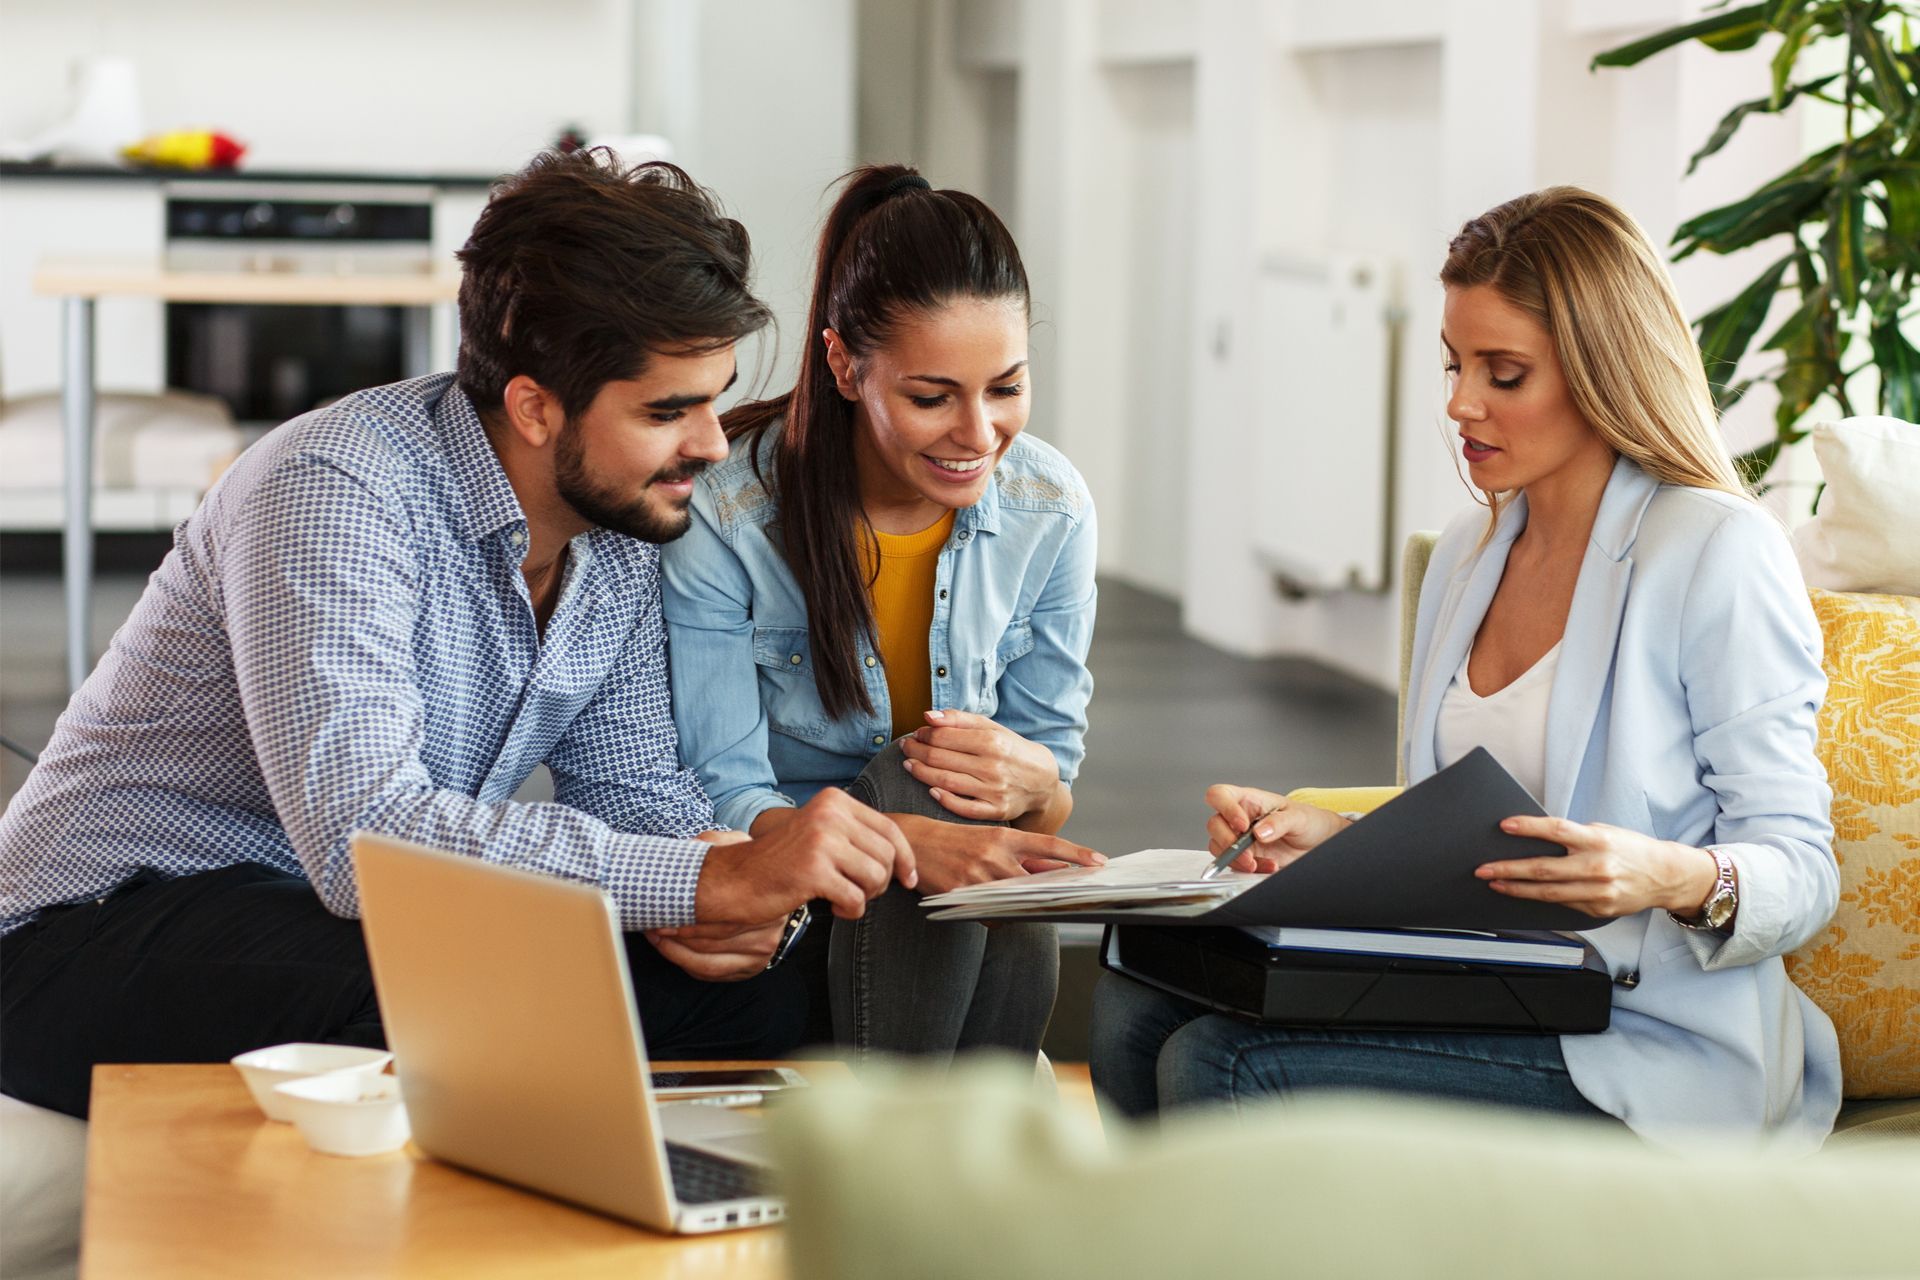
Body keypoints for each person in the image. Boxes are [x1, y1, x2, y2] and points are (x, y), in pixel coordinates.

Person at [0, 150, 915, 1119]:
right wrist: (701, 875)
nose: (710, 443)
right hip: (91, 929)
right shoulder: (335, 489)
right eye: (667, 410)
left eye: (712, 398)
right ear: (533, 405)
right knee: (466, 983)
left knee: (767, 992)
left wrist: (736, 906)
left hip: (324, 916)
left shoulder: (618, 539)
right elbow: (366, 838)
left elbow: (638, 794)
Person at [1089, 186, 1841, 1152]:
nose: (1459, 402)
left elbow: (1804, 871)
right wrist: (1338, 837)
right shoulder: (1466, 553)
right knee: (1131, 1009)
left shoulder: (1714, 551)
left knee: (1221, 1062)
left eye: (1505, 372)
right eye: (1455, 364)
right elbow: (1467, 837)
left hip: (1644, 1040)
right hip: (1491, 993)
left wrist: (1666, 876)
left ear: (1601, 371)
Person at [661, 165, 1102, 1062]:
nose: (979, 434)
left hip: (951, 917)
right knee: (917, 779)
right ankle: (961, 1141)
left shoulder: (1051, 507)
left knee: (969, 798)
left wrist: (1035, 786)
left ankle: (943, 1149)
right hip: (795, 901)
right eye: (932, 397)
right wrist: (909, 838)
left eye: (1007, 388)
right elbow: (724, 790)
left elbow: (1047, 794)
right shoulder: (728, 510)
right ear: (843, 365)